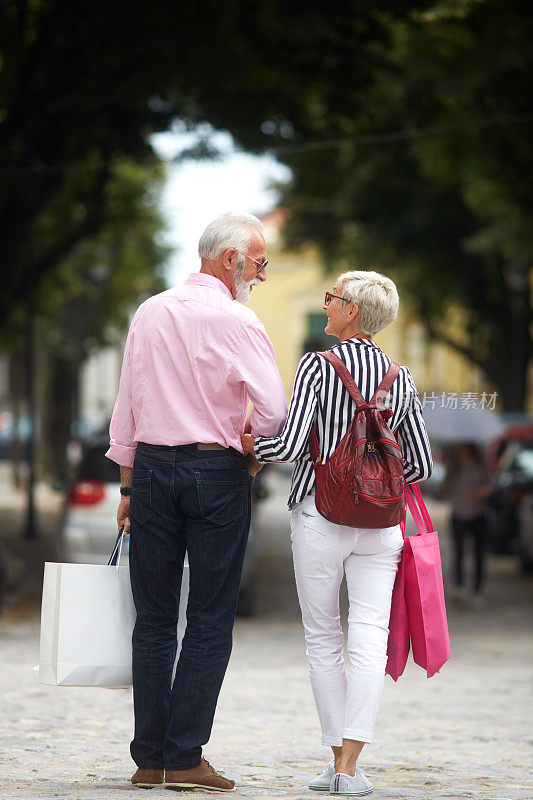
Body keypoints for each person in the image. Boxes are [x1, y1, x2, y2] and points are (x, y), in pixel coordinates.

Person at [106, 213, 287, 792]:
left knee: (153, 617)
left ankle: (149, 759)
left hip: (154, 469)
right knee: (209, 617)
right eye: (258, 262)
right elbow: (275, 412)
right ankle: (185, 758)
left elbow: (127, 405)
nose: (260, 274)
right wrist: (252, 447)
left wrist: (128, 485)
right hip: (216, 469)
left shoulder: (150, 311)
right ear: (231, 259)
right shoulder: (239, 319)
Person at [242, 270, 432, 796]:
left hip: (320, 517)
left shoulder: (317, 367)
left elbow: (286, 447)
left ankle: (338, 764)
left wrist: (249, 448)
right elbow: (419, 464)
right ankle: (349, 767)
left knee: (324, 638)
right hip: (382, 527)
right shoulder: (401, 375)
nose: (326, 304)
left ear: (351, 311)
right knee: (369, 637)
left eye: (332, 298)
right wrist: (375, 478)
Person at [443, 443, 491, 603]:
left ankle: (477, 589)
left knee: (478, 554)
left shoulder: (480, 463)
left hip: (478, 514)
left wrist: (482, 492)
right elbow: (445, 489)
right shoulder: (454, 465)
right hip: (458, 514)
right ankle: (458, 586)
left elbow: (491, 484)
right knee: (458, 552)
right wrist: (448, 472)